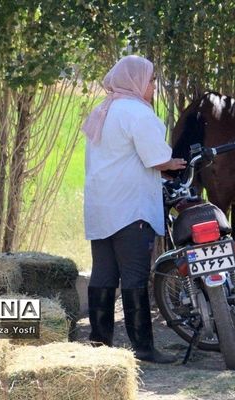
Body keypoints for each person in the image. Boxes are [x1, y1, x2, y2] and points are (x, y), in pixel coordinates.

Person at [81, 55, 186, 363]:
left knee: (103, 273)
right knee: (134, 276)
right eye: (151, 80)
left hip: (102, 207)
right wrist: (173, 164)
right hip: (130, 209)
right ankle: (142, 348)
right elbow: (157, 157)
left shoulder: (103, 109)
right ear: (137, 81)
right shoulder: (137, 113)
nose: (153, 86)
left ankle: (99, 344)